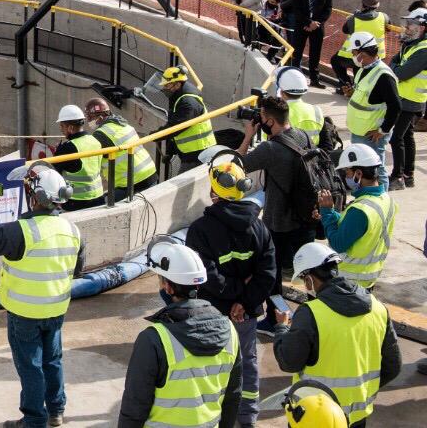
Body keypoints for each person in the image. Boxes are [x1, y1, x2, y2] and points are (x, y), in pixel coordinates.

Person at [0, 163, 84, 428]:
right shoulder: (73, 230)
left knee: (31, 365)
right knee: (53, 359)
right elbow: (76, 269)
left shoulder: (21, 231)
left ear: (34, 198)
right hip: (56, 309)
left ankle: (34, 419)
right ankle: (56, 410)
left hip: (24, 312)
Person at [186, 153, 274, 426]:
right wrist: (244, 301)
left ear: (214, 192)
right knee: (247, 363)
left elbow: (205, 275)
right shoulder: (259, 227)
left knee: (210, 363)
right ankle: (247, 418)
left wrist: (231, 298)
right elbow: (267, 273)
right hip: (245, 314)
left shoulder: (200, 230)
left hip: (213, 312)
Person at [272, 243, 401, 427]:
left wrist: (281, 328)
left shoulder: (310, 313)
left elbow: (288, 362)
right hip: (357, 416)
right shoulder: (378, 307)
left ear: (309, 280)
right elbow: (393, 366)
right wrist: (362, 390)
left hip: (314, 417)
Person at [118, 237, 241, 428]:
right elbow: (233, 396)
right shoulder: (230, 331)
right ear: (198, 285)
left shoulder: (154, 339)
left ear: (168, 286)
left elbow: (135, 405)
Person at [235, 96, 315, 298]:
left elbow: (237, 167)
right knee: (313, 270)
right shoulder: (303, 136)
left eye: (261, 117)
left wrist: (248, 136)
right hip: (305, 215)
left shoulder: (269, 148)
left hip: (278, 221)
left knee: (271, 273)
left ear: (270, 121)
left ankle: (274, 319)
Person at [322, 144, 398, 289]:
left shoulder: (360, 210)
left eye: (347, 172)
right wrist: (332, 213)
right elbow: (362, 229)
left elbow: (338, 244)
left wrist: (327, 213)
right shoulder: (386, 200)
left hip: (349, 281)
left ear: (358, 174)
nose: (345, 177)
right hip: (368, 278)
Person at [343, 32, 400, 190]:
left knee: (376, 170)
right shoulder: (363, 69)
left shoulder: (384, 76)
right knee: (362, 168)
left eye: (354, 53)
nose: (352, 56)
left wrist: (383, 130)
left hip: (372, 134)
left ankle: (381, 204)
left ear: (363, 52)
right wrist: (351, 93)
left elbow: (396, 106)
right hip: (359, 130)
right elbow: (368, 97)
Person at [387, 6, 427, 189]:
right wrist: (395, 66)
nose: (407, 27)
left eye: (411, 23)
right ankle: (408, 175)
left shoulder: (424, 50)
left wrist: (394, 69)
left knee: (397, 138)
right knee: (407, 136)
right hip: (405, 98)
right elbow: (394, 61)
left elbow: (402, 72)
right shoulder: (412, 45)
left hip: (410, 100)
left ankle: (398, 177)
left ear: (422, 27)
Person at [85, 97, 156, 196]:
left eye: (90, 117)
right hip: (150, 174)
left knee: (100, 204)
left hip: (132, 183)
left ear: (100, 117)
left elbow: (90, 162)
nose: (88, 120)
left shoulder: (101, 135)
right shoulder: (124, 124)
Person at [281, 0, 331, 87]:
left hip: (317, 28)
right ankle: (293, 76)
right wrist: (308, 22)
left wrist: (316, 23)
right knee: (297, 52)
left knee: (315, 53)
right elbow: (297, 9)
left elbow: (327, 10)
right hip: (301, 25)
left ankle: (314, 79)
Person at [160, 66, 216, 172]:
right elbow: (175, 126)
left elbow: (175, 128)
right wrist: (169, 152)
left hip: (199, 155)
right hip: (191, 153)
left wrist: (156, 135)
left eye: (167, 85)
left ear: (178, 84)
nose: (165, 88)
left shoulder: (189, 102)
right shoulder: (178, 97)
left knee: (183, 187)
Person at [49, 104, 105, 210]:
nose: (61, 129)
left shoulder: (68, 147)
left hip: (76, 201)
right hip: (98, 198)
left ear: (70, 127)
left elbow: (53, 173)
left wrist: (58, 151)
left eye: (62, 126)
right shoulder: (94, 140)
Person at [331, 0, 388, 92]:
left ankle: (346, 86)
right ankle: (356, 89)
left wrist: (355, 15)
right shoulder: (384, 17)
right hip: (376, 56)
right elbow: (387, 26)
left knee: (335, 61)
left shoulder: (353, 19)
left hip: (353, 55)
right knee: (358, 69)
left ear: (363, 5)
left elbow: (345, 30)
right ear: (377, 6)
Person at [276, 67, 327, 149]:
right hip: (312, 156)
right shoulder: (317, 110)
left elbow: (267, 139)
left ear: (282, 92)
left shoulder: (278, 113)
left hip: (289, 156)